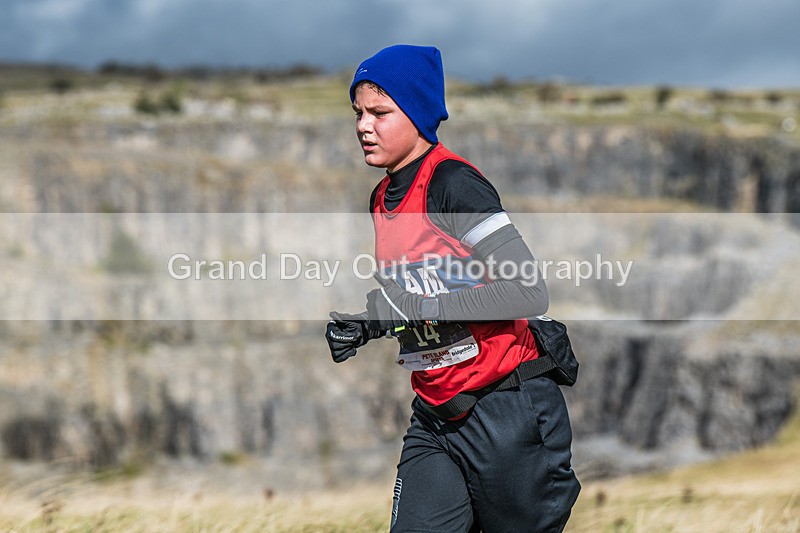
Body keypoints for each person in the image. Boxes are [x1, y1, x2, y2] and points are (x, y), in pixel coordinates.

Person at [326, 44, 580, 532]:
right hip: (436, 416)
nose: (363, 125)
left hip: (509, 415)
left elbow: (528, 291)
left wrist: (422, 306)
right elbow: (420, 289)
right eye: (358, 113)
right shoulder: (382, 198)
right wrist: (368, 323)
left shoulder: (454, 185)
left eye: (380, 112)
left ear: (418, 114)